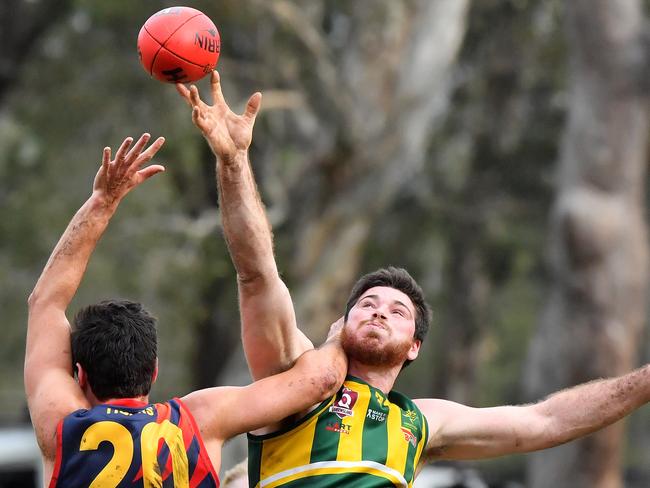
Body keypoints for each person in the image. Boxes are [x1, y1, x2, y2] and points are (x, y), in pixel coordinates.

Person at [177, 71, 650, 487]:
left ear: (415, 346)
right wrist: (234, 163)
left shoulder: (421, 422)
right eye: (366, 304)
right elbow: (258, 276)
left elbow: (546, 421)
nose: (379, 309)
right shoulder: (294, 378)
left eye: (397, 310)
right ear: (340, 325)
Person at [24, 133, 348, 487]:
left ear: (80, 375)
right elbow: (320, 381)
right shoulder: (201, 419)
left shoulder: (62, 424)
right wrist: (340, 337)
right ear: (154, 371)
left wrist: (102, 201)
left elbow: (45, 302)